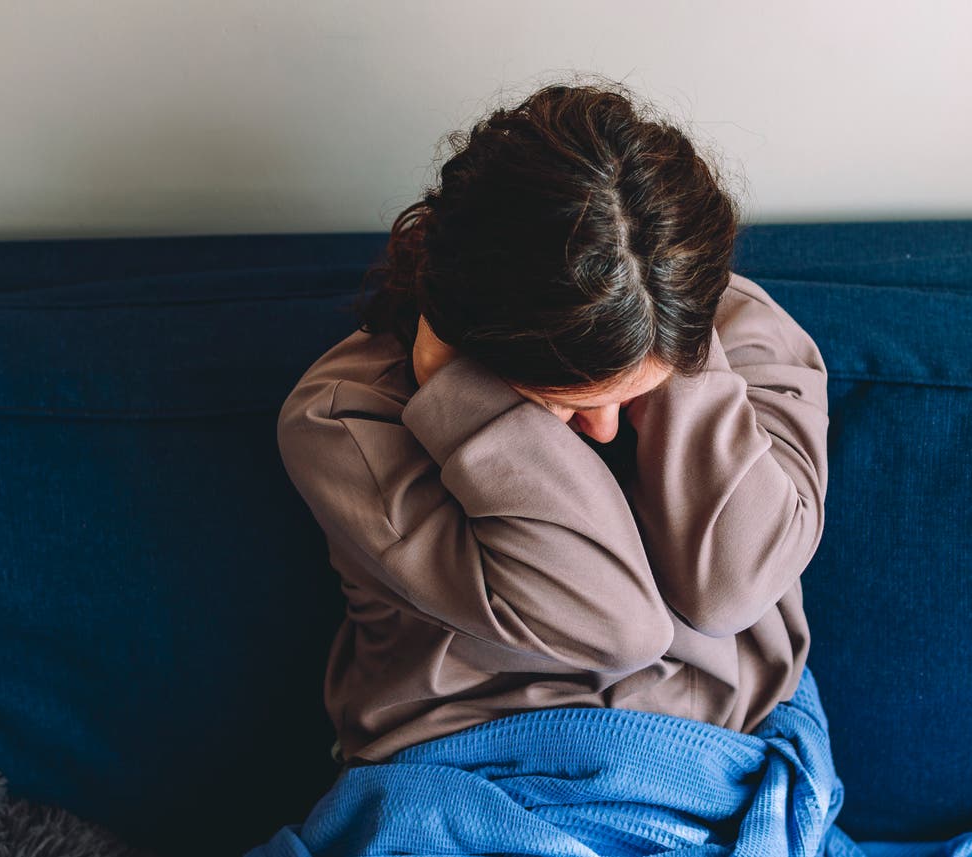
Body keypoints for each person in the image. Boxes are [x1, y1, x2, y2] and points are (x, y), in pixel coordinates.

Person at [275, 79, 830, 769]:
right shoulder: (343, 417)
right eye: (563, 398)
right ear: (473, 334)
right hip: (470, 764)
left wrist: (668, 340)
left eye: (629, 397)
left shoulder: (748, 336)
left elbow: (732, 587)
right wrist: (467, 402)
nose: (601, 431)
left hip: (718, 754)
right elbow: (615, 624)